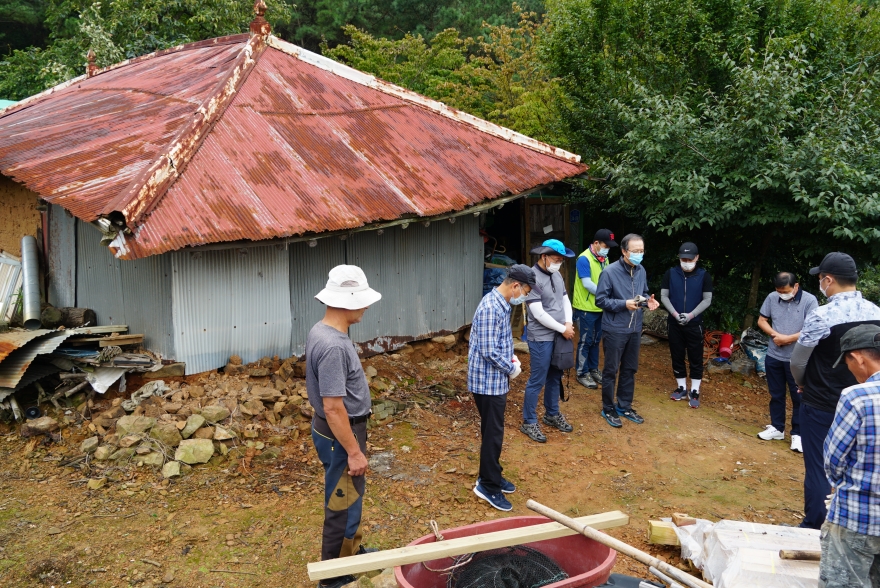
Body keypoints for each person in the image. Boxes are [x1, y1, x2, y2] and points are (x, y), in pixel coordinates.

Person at [789, 252, 880, 530]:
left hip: (823, 402)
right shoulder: (877, 312)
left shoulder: (821, 315)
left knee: (819, 465)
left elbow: (798, 360)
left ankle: (815, 523)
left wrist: (802, 384)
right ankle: (848, 522)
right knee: (861, 463)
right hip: (868, 402)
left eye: (820, 279)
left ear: (828, 280)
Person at [307, 265, 382, 588]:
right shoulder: (335, 346)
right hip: (341, 433)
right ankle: (333, 576)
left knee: (351, 497)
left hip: (336, 431)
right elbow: (333, 406)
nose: (366, 307)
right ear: (349, 302)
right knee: (341, 502)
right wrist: (353, 451)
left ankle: (351, 554)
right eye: (363, 301)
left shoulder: (321, 331)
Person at [468, 264, 536, 511]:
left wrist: (512, 358)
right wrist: (511, 368)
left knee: (493, 431)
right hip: (487, 382)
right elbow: (487, 351)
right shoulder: (490, 307)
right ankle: (486, 485)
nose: (524, 297)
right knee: (493, 434)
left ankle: (493, 474)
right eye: (525, 291)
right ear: (515, 285)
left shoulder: (501, 304)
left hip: (494, 380)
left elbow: (497, 342)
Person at [820, 324, 880, 587]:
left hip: (858, 517)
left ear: (858, 358)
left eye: (847, 363)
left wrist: (839, 484)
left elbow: (834, 458)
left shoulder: (857, 396)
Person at [595, 233, 660, 428]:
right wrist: (624, 304)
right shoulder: (609, 272)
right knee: (611, 370)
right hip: (614, 328)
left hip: (634, 328)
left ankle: (624, 405)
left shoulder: (641, 270)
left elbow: (644, 293)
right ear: (624, 251)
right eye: (635, 251)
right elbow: (601, 300)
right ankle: (608, 407)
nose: (639, 254)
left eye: (641, 251)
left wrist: (649, 301)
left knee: (630, 369)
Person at [755, 272, 818, 452]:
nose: (781, 294)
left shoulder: (810, 301)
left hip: (798, 358)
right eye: (778, 290)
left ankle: (798, 434)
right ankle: (777, 428)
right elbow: (762, 320)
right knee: (776, 394)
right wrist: (777, 336)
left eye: (785, 291)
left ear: (796, 286)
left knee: (799, 397)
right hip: (774, 355)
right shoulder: (772, 297)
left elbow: (812, 328)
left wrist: (788, 338)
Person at [521, 239, 576, 443]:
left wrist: (568, 323)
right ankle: (529, 421)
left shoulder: (557, 274)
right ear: (544, 256)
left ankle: (552, 414)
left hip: (560, 333)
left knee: (555, 376)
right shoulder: (531, 277)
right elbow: (538, 313)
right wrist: (563, 329)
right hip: (541, 337)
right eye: (556, 259)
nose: (559, 263)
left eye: (561, 260)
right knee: (538, 378)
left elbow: (564, 300)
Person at [661, 242, 713, 408]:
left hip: (694, 323)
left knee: (695, 357)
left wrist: (691, 315)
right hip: (674, 322)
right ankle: (681, 387)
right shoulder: (671, 273)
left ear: (697, 258)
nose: (686, 261)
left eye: (690, 259)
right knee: (676, 355)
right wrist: (675, 314)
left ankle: (695, 390)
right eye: (683, 258)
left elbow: (707, 299)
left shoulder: (704, 276)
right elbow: (664, 296)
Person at [572, 229, 618, 389]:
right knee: (586, 341)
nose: (607, 249)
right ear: (596, 243)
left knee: (596, 340)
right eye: (606, 246)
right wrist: (605, 295)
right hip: (585, 308)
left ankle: (593, 369)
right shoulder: (584, 258)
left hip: (600, 307)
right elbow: (587, 284)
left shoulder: (604, 258)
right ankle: (582, 372)